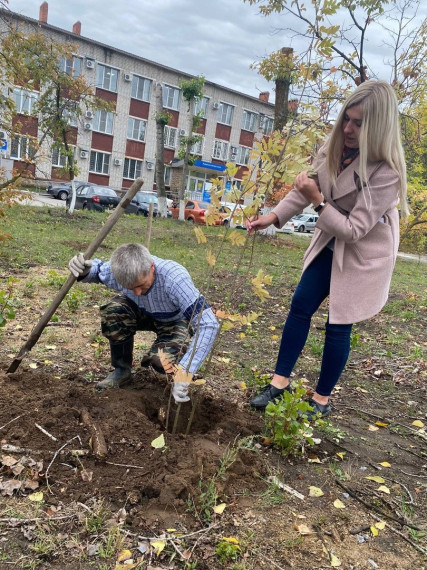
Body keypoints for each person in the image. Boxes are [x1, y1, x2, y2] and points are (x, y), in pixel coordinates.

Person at [247, 80, 408, 420]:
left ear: (377, 128)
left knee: (339, 323)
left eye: (359, 123)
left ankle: (321, 401)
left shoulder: (386, 172)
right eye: (346, 119)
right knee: (301, 303)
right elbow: (306, 187)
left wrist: (318, 202)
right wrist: (273, 216)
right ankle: (279, 383)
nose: (348, 129)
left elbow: (353, 230)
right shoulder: (334, 146)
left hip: (364, 250)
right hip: (331, 237)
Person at [68, 243, 219, 401]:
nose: (137, 292)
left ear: (152, 268)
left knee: (161, 363)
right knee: (114, 311)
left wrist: (185, 372)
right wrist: (84, 269)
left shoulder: (175, 279)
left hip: (174, 320)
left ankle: (172, 375)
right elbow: (97, 270)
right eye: (130, 288)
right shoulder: (120, 271)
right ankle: (122, 370)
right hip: (143, 312)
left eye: (140, 285)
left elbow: (208, 324)